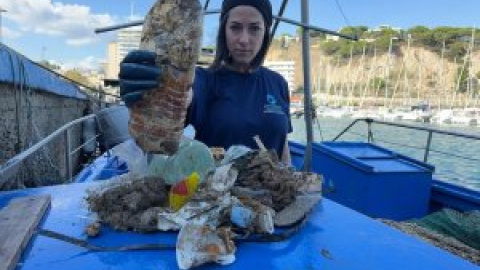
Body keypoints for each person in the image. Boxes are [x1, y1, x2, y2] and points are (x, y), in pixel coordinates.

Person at [119, 0, 292, 164]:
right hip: (216, 191)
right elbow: (185, 94)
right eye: (235, 28)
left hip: (273, 193)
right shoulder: (204, 79)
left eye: (254, 28)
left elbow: (283, 145)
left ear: (265, 32)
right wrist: (155, 90)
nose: (244, 40)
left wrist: (290, 181)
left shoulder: (278, 83)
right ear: (224, 30)